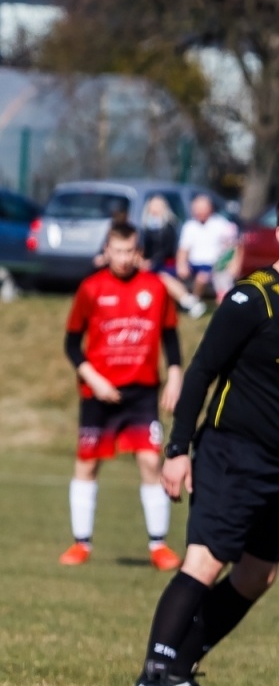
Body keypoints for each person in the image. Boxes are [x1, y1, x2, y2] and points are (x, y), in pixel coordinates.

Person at [126, 187, 279, 686]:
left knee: (258, 574)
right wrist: (178, 449)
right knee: (205, 561)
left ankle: (180, 670)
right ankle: (154, 674)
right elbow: (201, 373)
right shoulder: (250, 299)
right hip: (231, 454)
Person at [60, 223, 185, 571]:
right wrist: (94, 379)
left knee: (150, 462)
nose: (124, 258)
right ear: (106, 251)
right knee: (87, 464)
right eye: (117, 251)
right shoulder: (91, 288)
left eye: (130, 251)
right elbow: (71, 344)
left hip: (142, 392)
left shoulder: (155, 287)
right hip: (98, 392)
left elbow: (171, 337)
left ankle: (158, 545)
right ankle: (81, 543)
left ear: (138, 252)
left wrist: (175, 374)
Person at [176, 194, 239, 299]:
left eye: (202, 209)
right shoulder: (189, 226)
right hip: (194, 265)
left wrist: (234, 265)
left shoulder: (222, 224)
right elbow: (183, 249)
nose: (199, 212)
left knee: (208, 278)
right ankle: (192, 302)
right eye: (197, 209)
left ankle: (196, 300)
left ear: (210, 208)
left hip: (216, 265)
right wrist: (181, 264)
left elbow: (234, 247)